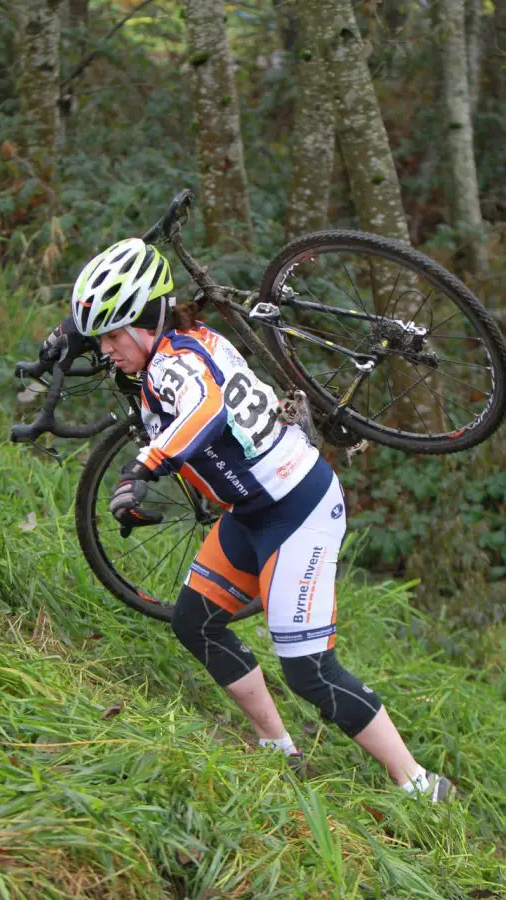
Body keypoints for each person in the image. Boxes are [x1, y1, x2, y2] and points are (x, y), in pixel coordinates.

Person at [42, 237, 456, 803]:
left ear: (148, 320)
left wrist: (146, 466)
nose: (107, 348)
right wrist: (70, 335)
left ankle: (419, 785)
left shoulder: (177, 363)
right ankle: (279, 753)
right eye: (101, 338)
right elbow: (134, 362)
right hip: (250, 511)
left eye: (114, 336)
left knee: (309, 669)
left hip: (299, 510)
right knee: (195, 622)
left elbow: (206, 410)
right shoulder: (170, 344)